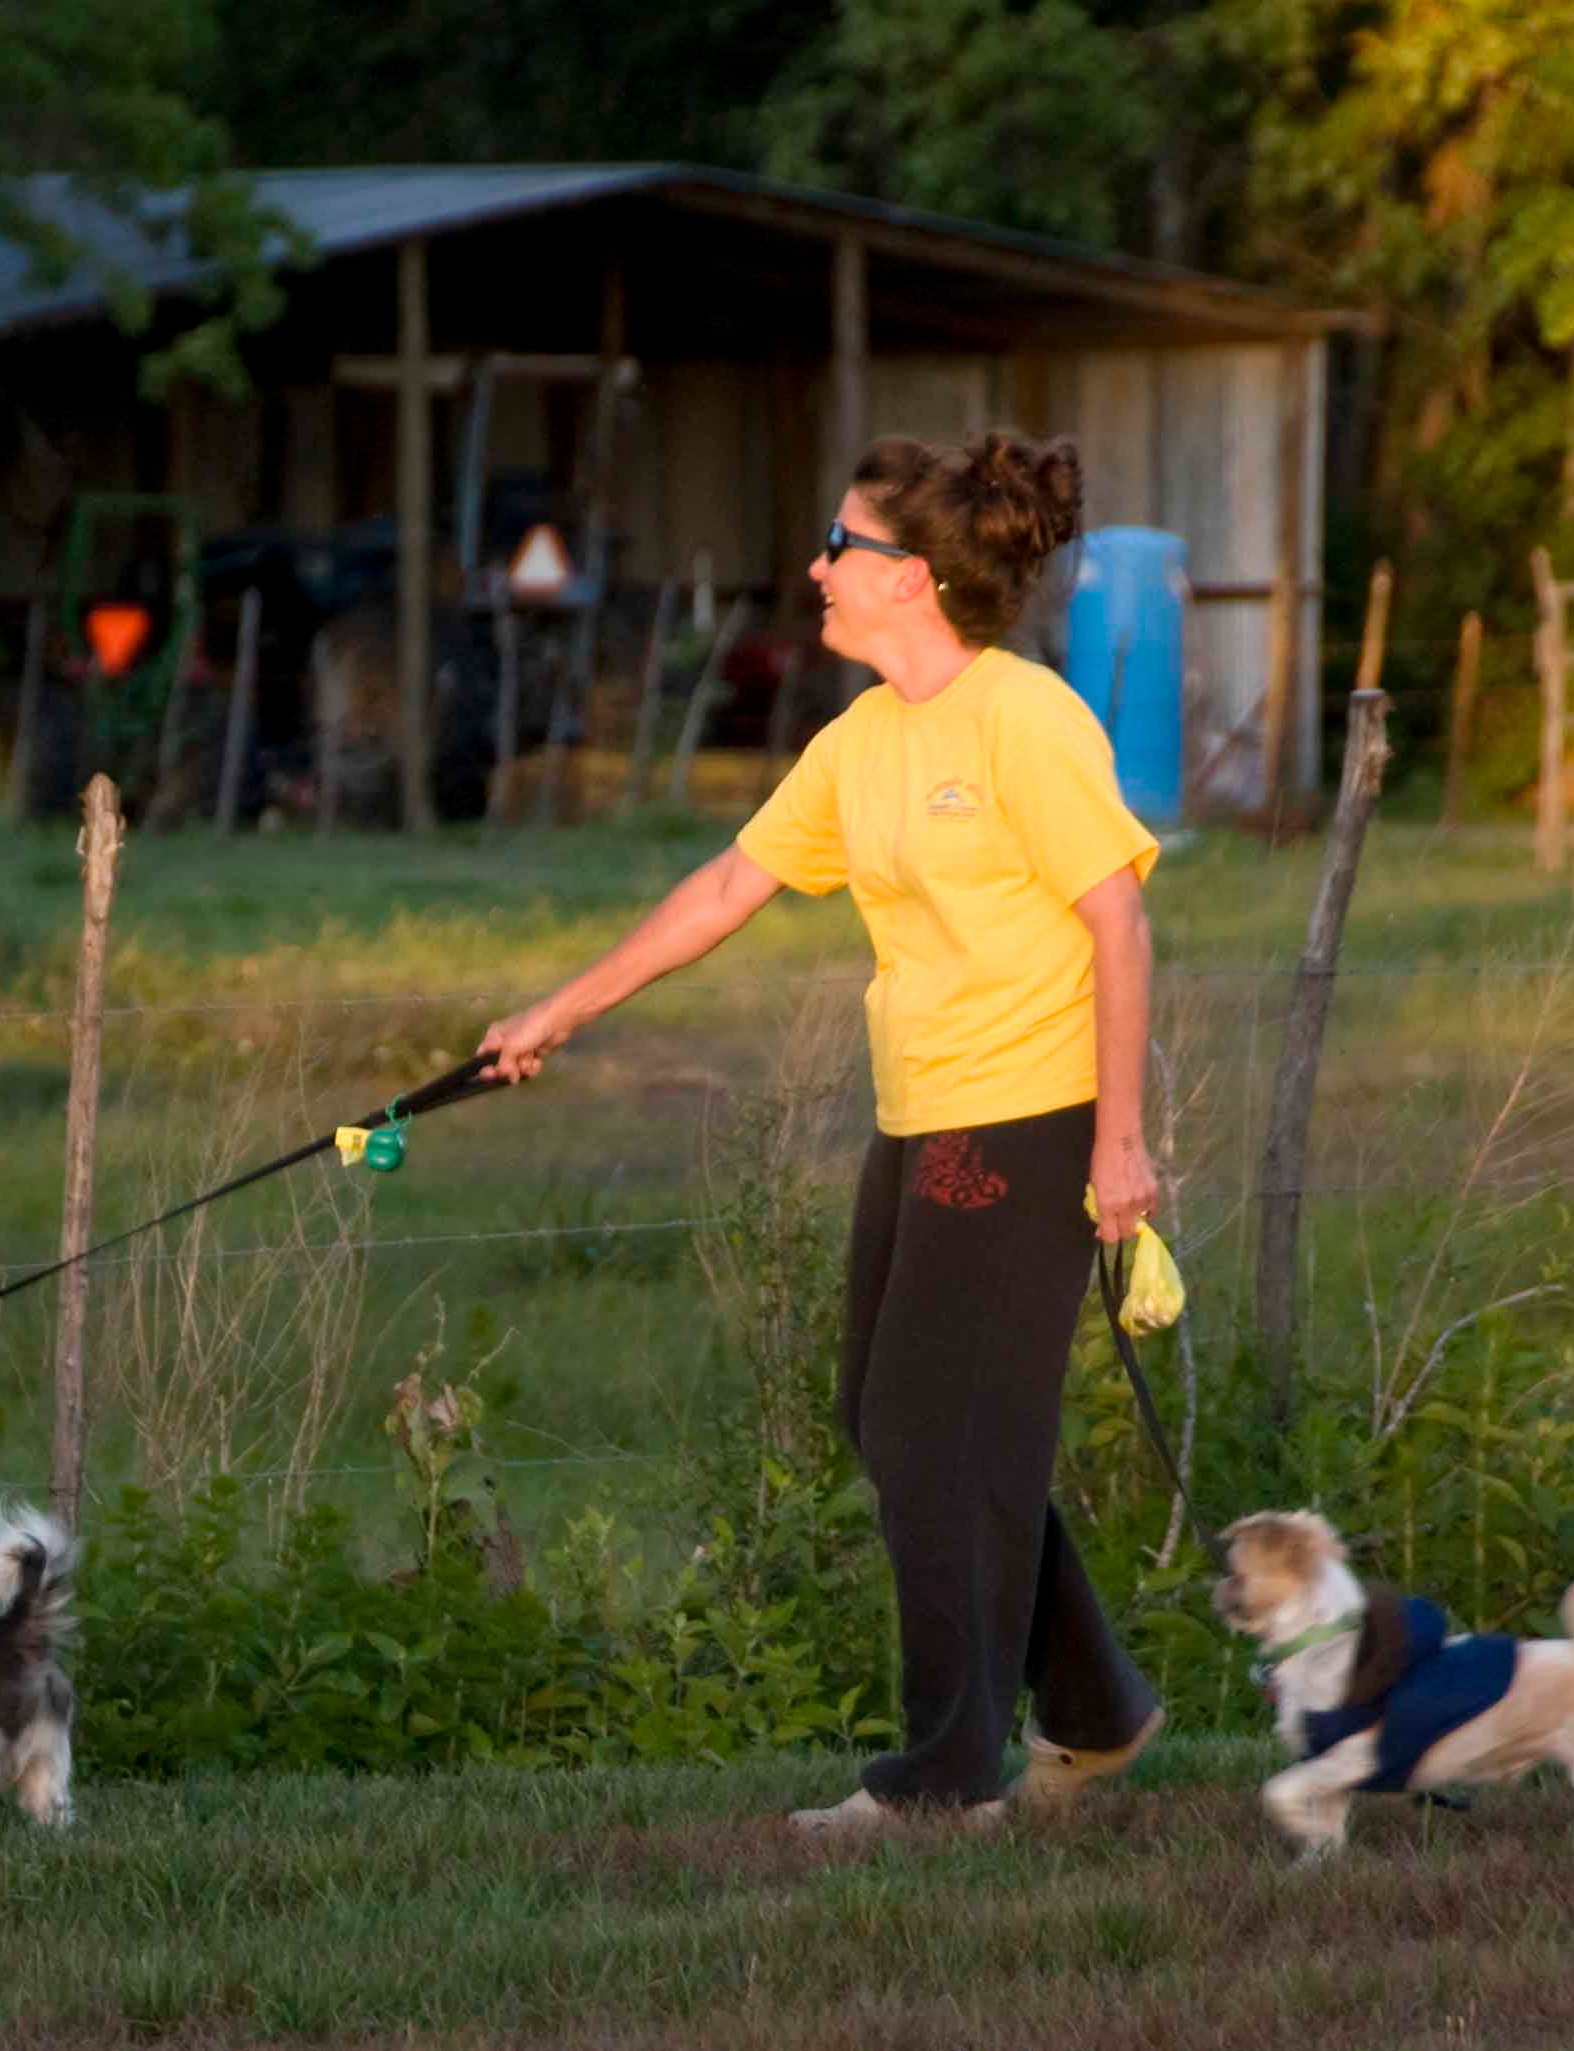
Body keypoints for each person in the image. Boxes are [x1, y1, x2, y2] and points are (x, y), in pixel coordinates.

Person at [480, 432, 1166, 1831]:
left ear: (909, 579)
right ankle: (1092, 1706)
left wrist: (1121, 1142)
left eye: (838, 546)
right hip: (921, 1119)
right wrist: (562, 1008)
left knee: (932, 1436)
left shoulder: (1023, 721)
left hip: (1028, 1119)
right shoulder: (864, 740)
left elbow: (1119, 921)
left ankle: (945, 1775)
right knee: (897, 1419)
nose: (815, 569)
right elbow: (730, 884)